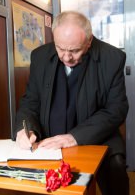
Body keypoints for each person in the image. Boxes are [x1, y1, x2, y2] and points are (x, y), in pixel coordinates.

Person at [13, 11, 129, 195]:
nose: (67, 57)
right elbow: (30, 102)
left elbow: (116, 109)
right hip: (50, 136)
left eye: (75, 51)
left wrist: (75, 137)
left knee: (115, 169)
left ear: (89, 41)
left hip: (97, 134)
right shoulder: (40, 56)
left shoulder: (112, 58)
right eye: (60, 48)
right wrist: (25, 129)